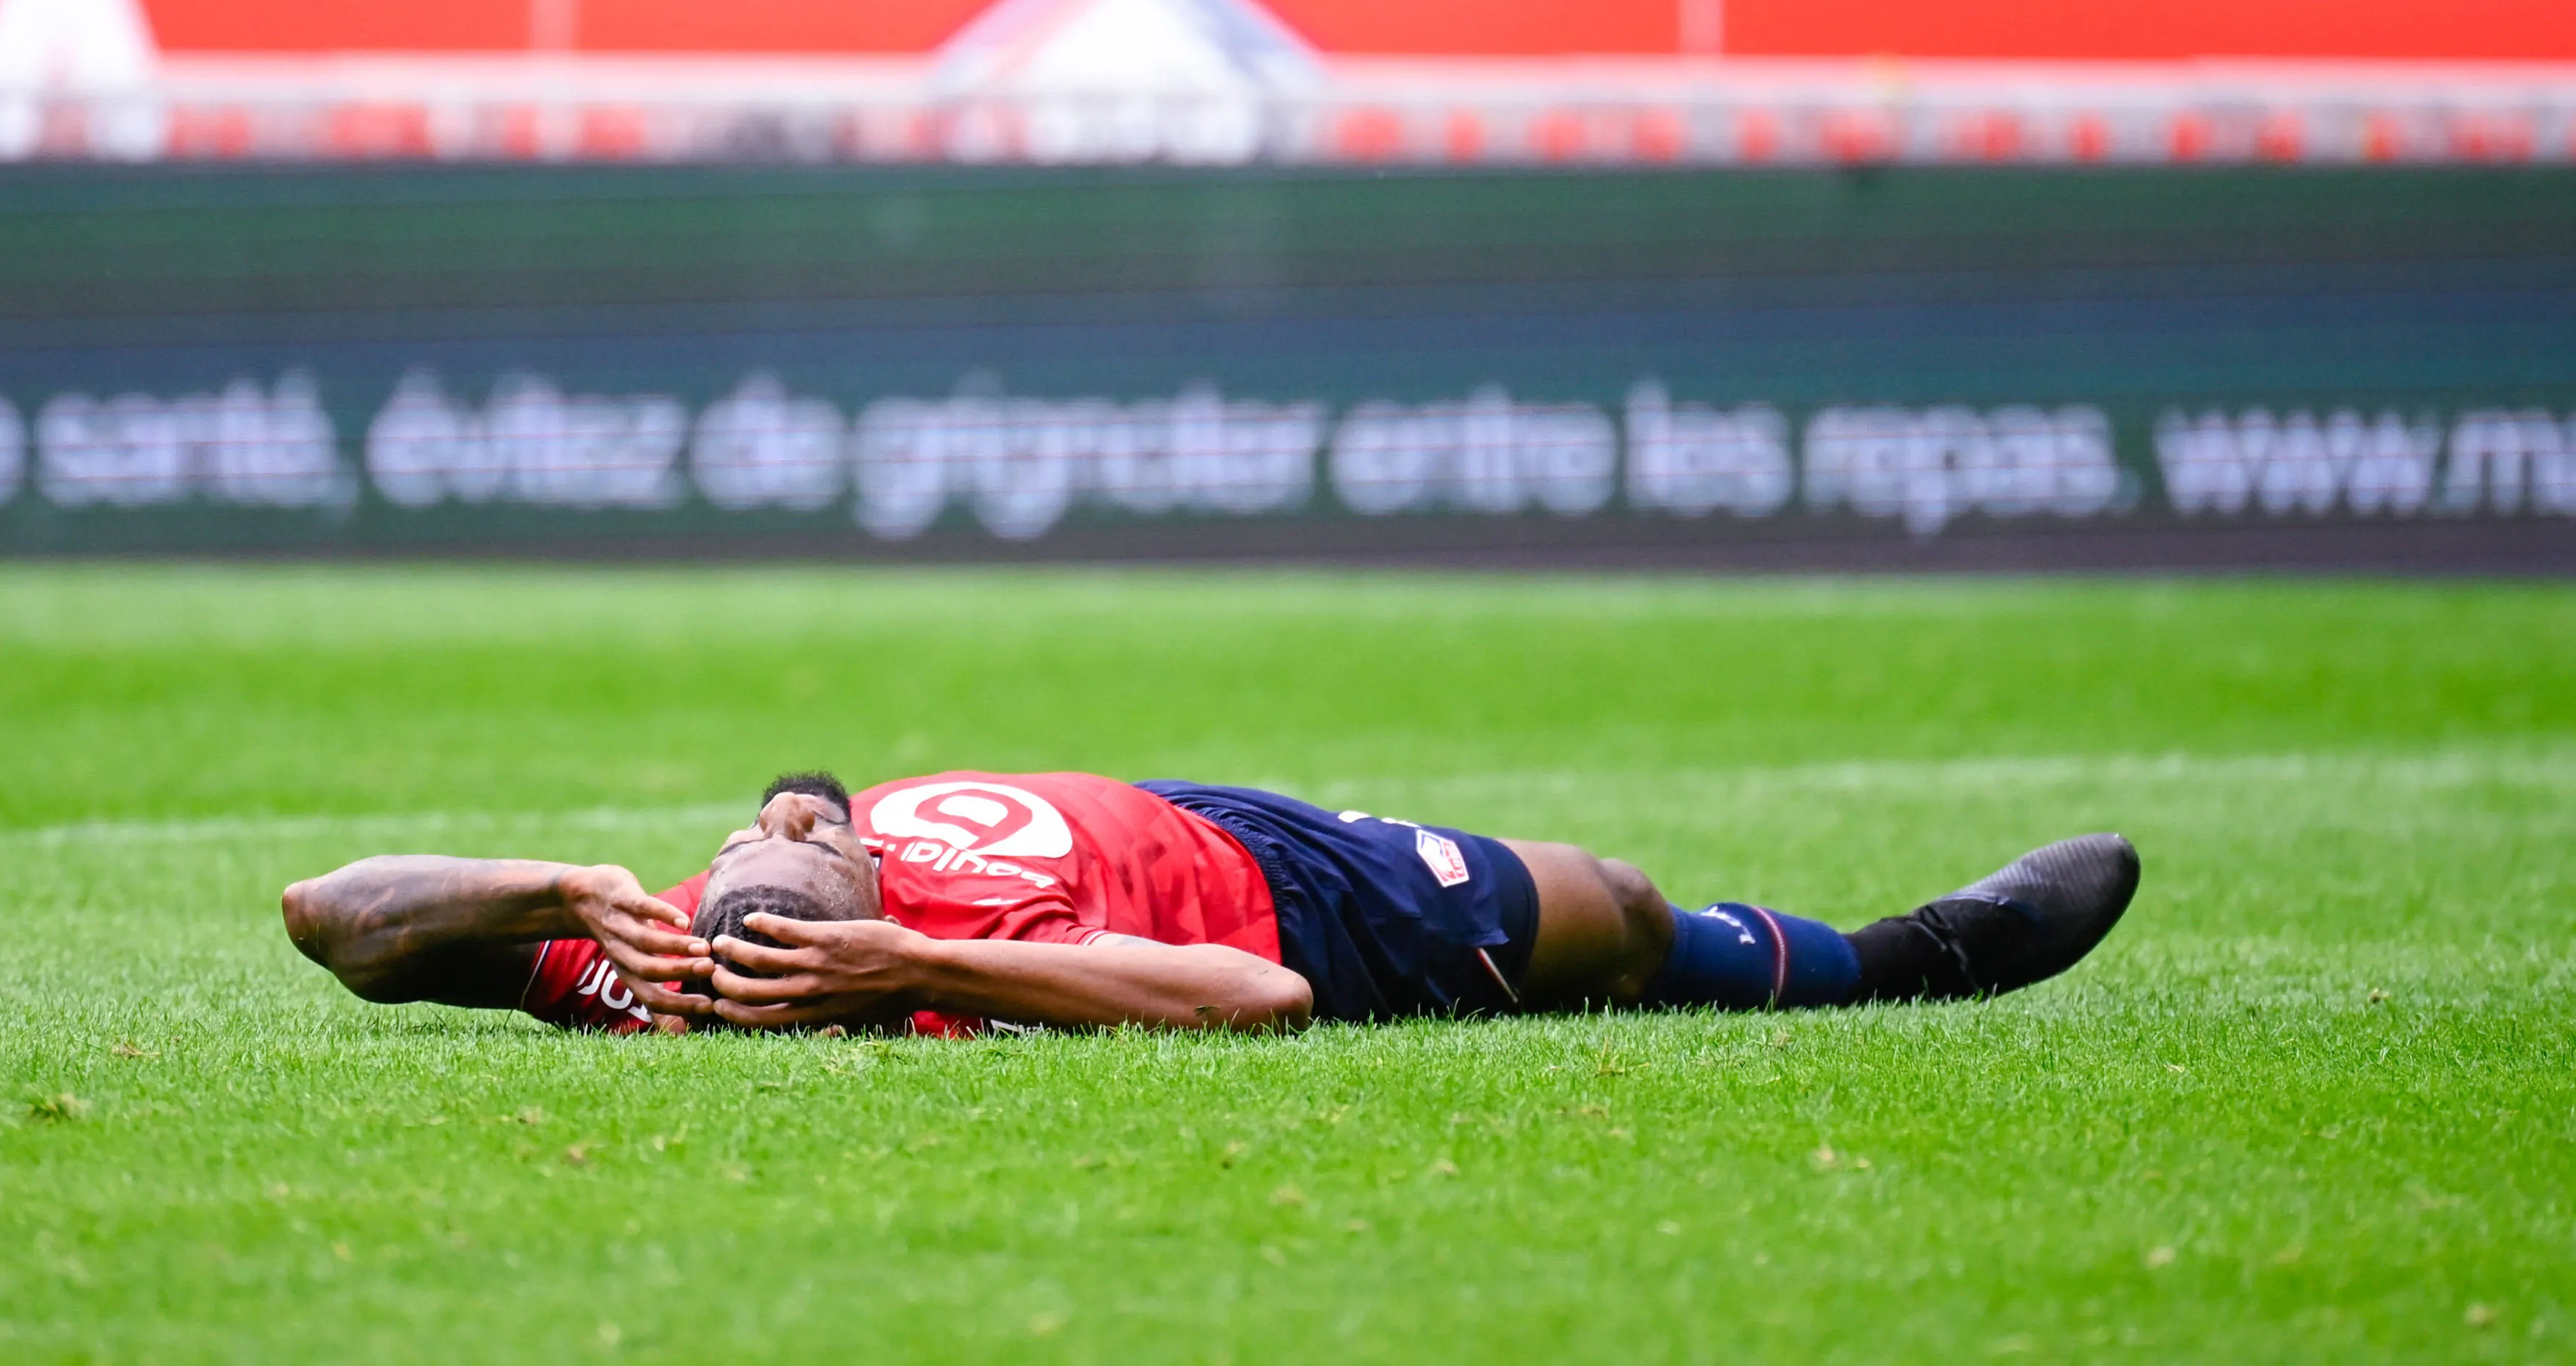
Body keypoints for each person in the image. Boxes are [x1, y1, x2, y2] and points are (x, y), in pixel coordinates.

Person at [282, 768, 2143, 1036]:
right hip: (1287, 901)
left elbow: (328, 908)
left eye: (782, 826)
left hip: (1178, 800)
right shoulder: (907, 963)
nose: (792, 822)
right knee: (1624, 912)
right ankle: (1907, 961)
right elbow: (1258, 1004)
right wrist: (915, 951)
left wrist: (552, 879)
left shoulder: (646, 919)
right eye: (796, 850)